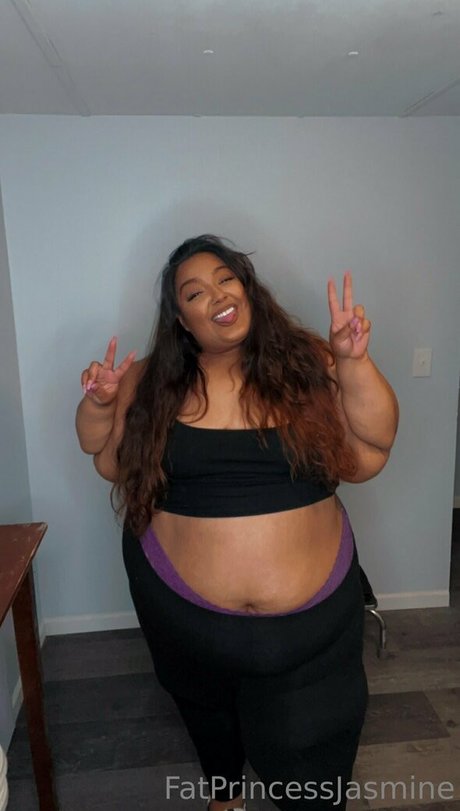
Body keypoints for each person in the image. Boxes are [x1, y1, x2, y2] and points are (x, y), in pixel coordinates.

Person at [76, 234, 398, 811]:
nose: (217, 294)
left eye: (225, 278)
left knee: (317, 754)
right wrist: (100, 402)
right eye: (195, 292)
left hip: (313, 625)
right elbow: (104, 458)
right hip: (183, 613)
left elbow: (372, 451)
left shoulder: (310, 362)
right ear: (182, 320)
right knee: (205, 710)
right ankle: (224, 793)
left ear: (247, 289)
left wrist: (353, 361)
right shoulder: (150, 379)